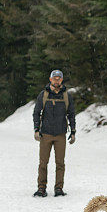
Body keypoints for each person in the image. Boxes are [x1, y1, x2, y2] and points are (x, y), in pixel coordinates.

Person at [33, 69, 76, 197]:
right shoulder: (44, 95)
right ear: (50, 79)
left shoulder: (66, 96)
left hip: (60, 134)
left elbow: (71, 114)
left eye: (59, 78)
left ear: (61, 80)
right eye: (54, 78)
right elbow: (36, 112)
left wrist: (73, 131)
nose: (57, 80)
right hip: (45, 134)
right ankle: (41, 188)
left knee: (60, 163)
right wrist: (36, 129)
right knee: (43, 162)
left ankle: (59, 188)